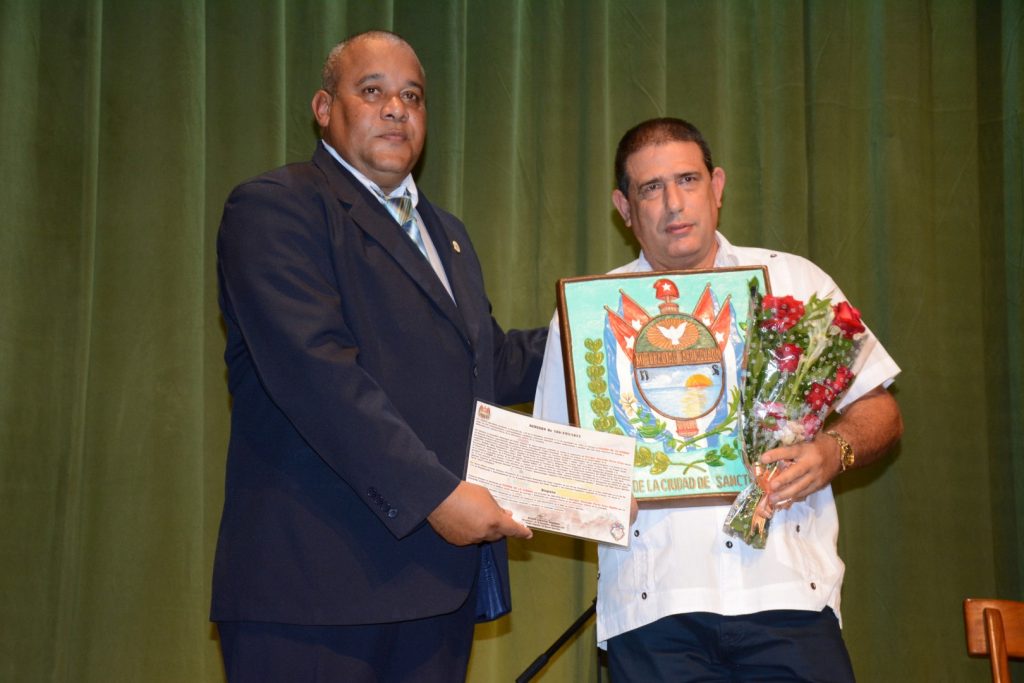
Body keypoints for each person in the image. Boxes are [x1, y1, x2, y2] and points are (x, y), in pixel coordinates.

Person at [210, 30, 547, 682]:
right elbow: (318, 374)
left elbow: (489, 362)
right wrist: (436, 496)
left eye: (412, 96)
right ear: (323, 107)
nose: (397, 108)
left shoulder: (448, 235)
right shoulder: (276, 208)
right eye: (373, 92)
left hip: (433, 591)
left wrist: (599, 333)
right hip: (314, 593)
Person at [533, 118, 903, 681]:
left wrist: (833, 452)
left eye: (688, 179)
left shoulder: (794, 282)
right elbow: (552, 471)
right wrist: (596, 497)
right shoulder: (584, 317)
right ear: (624, 207)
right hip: (653, 611)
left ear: (718, 187)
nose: (673, 203)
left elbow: (881, 411)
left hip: (790, 600)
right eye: (650, 189)